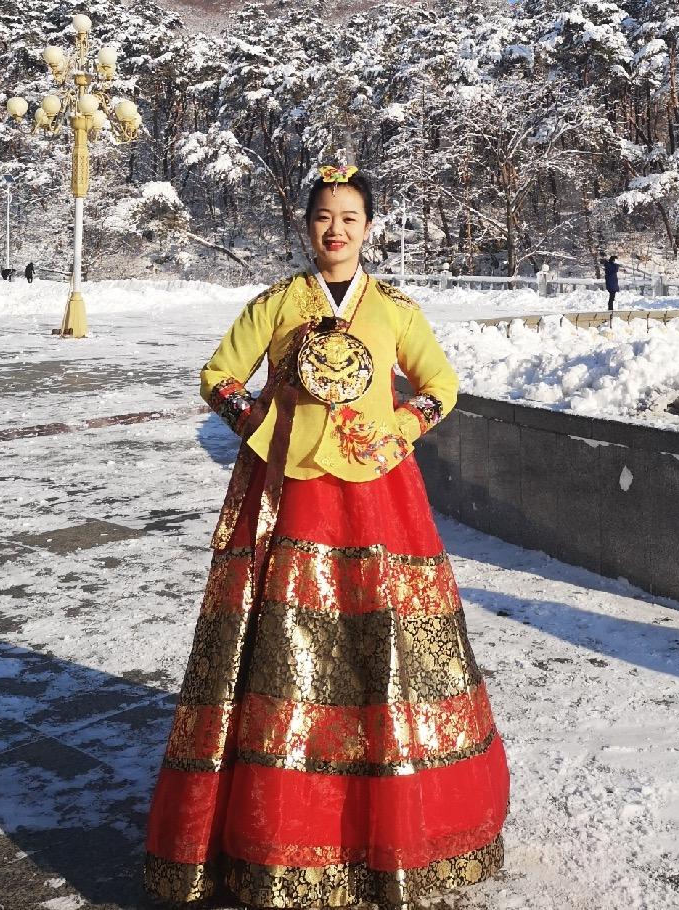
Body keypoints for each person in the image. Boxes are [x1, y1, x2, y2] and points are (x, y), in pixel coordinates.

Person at [144, 167, 510, 908]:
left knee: (384, 648)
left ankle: (389, 824)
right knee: (286, 650)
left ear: (370, 226)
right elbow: (218, 376)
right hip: (291, 498)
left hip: (379, 502)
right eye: (323, 217)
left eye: (350, 217)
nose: (336, 230)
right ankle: (274, 827)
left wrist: (400, 428)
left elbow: (442, 385)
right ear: (307, 226)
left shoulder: (396, 310)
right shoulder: (280, 303)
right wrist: (269, 430)